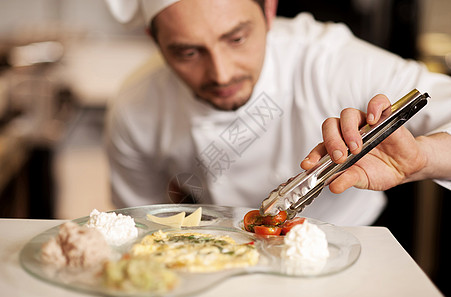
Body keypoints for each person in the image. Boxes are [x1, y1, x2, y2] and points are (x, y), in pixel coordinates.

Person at [104, 0, 451, 226]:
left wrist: (421, 157)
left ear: (269, 11)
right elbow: (140, 224)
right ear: (155, 39)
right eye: (188, 53)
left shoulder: (328, 59)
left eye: (236, 39)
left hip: (354, 245)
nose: (221, 74)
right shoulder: (136, 109)